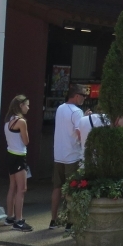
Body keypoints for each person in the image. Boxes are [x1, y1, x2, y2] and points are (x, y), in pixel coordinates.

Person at [50, 84, 87, 229]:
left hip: (58, 154)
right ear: (76, 96)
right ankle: (70, 222)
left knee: (57, 188)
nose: (84, 98)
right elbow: (79, 132)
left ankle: (53, 220)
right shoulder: (77, 111)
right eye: (83, 95)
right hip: (72, 154)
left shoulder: (60, 108)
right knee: (72, 188)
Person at [2, 95, 32, 231]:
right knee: (22, 189)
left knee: (12, 187)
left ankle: (10, 216)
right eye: (27, 105)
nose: (28, 108)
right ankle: (19, 221)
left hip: (10, 155)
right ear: (20, 105)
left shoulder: (8, 121)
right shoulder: (21, 122)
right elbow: (26, 141)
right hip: (19, 156)